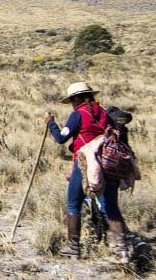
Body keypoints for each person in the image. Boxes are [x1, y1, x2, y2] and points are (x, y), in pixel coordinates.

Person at [44, 81, 131, 262]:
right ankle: (123, 250)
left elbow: (60, 138)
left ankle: (73, 247)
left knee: (73, 203)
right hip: (107, 162)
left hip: (85, 163)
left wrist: (51, 124)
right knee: (111, 206)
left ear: (76, 99)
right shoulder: (105, 114)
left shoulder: (78, 115)